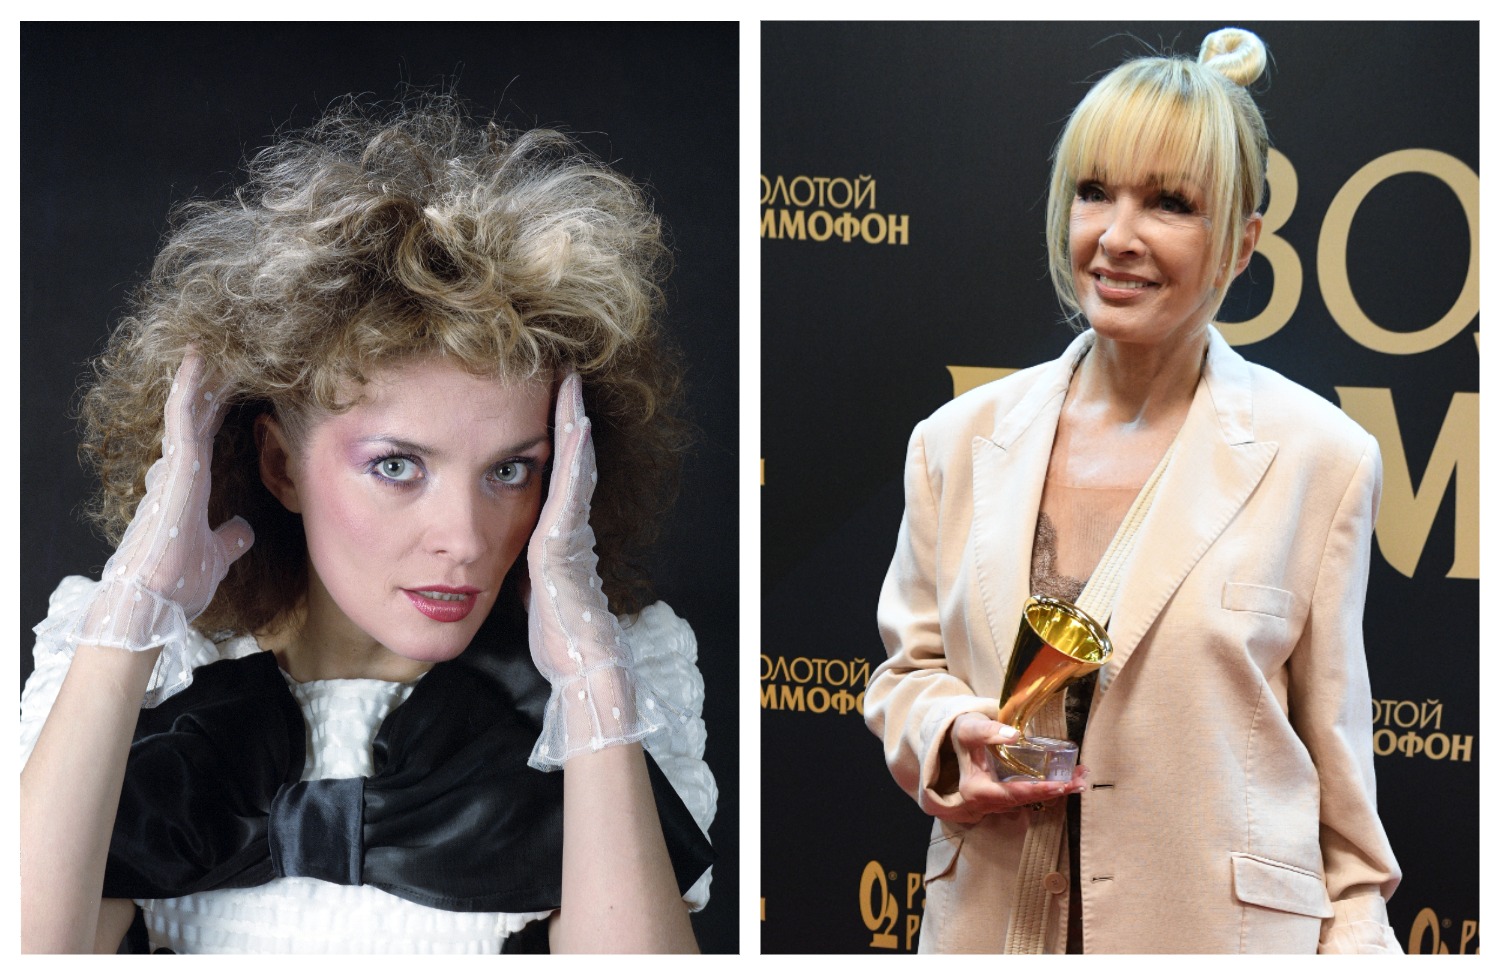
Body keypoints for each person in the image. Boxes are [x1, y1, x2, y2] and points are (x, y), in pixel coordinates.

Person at [20, 96, 715, 954]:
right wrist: (133, 614)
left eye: (509, 470)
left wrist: (592, 682)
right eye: (397, 466)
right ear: (279, 465)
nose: (465, 537)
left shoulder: (608, 686)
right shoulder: (150, 682)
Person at [866, 28, 1400, 954]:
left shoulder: (1322, 458)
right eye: (1093, 192)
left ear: (1241, 243)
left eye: (1169, 203)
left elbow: (1346, 822)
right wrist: (951, 731)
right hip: (989, 928)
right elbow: (906, 675)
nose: (1115, 237)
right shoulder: (955, 441)